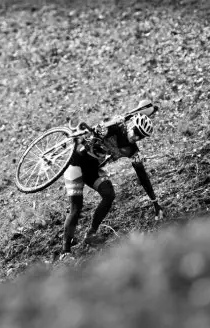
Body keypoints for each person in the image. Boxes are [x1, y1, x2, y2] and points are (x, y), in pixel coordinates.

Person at [61, 104, 163, 256]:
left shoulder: (132, 151)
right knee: (76, 207)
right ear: (131, 126)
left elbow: (143, 177)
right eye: (136, 131)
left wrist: (155, 203)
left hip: (92, 169)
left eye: (140, 136)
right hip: (76, 163)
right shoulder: (117, 127)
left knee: (109, 194)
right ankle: (65, 251)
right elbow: (104, 128)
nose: (136, 137)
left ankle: (91, 234)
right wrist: (101, 130)